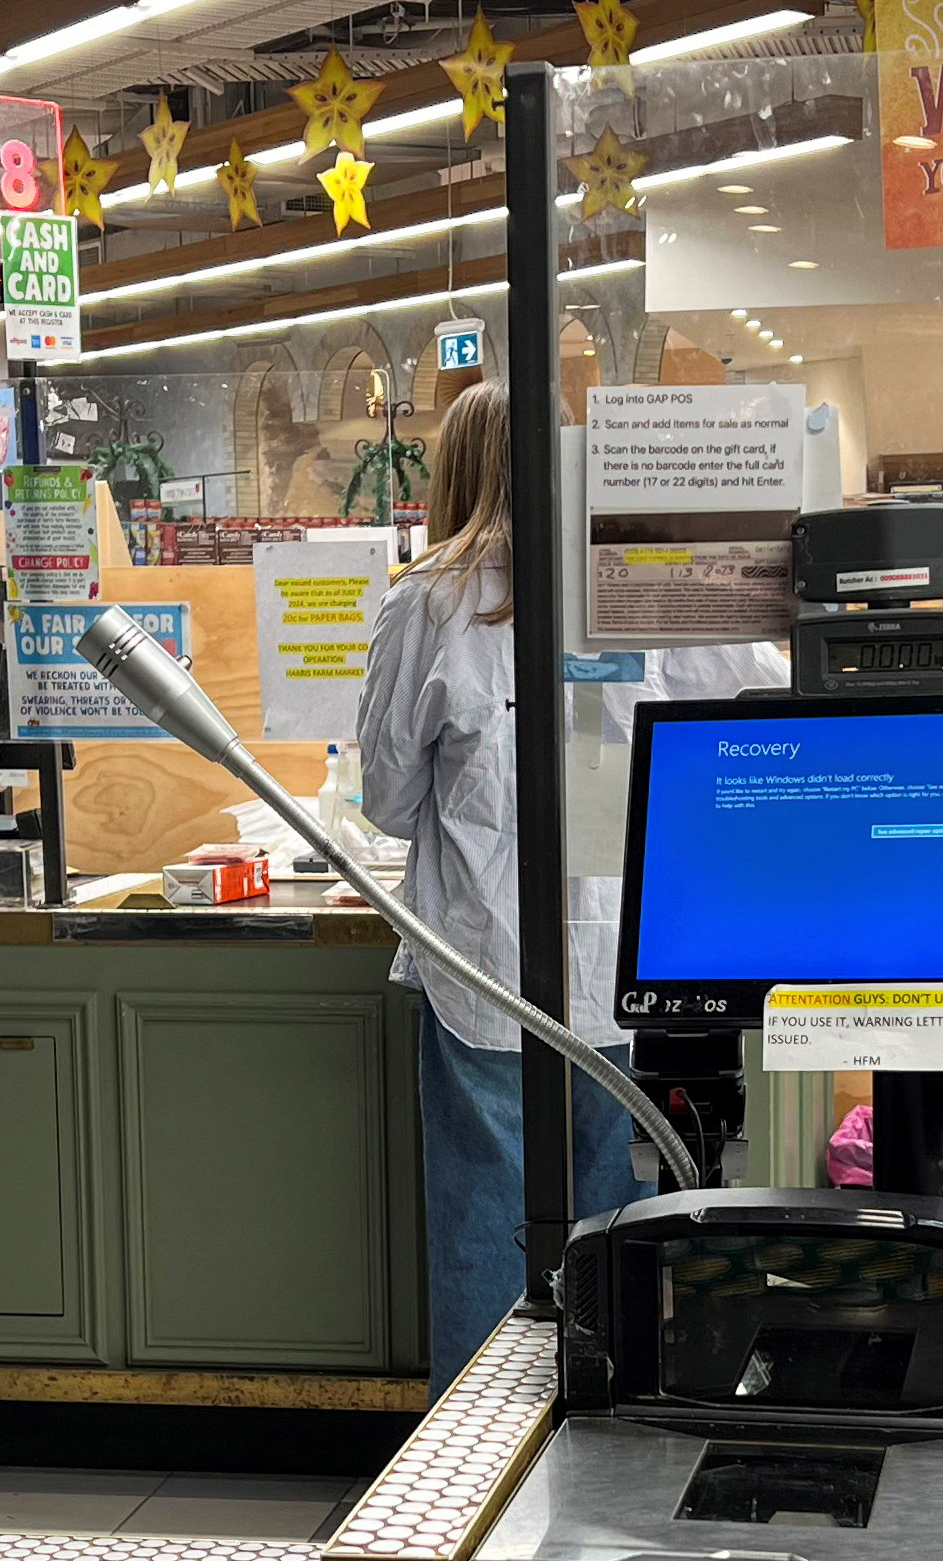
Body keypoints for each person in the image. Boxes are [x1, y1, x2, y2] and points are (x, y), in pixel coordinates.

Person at [356, 382, 788, 1393]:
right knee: (598, 1212)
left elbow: (382, 794)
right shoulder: (629, 581)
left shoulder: (430, 598)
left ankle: (462, 1467)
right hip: (606, 956)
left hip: (482, 961)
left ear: (455, 471)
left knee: (480, 1222)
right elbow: (751, 704)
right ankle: (587, 1414)